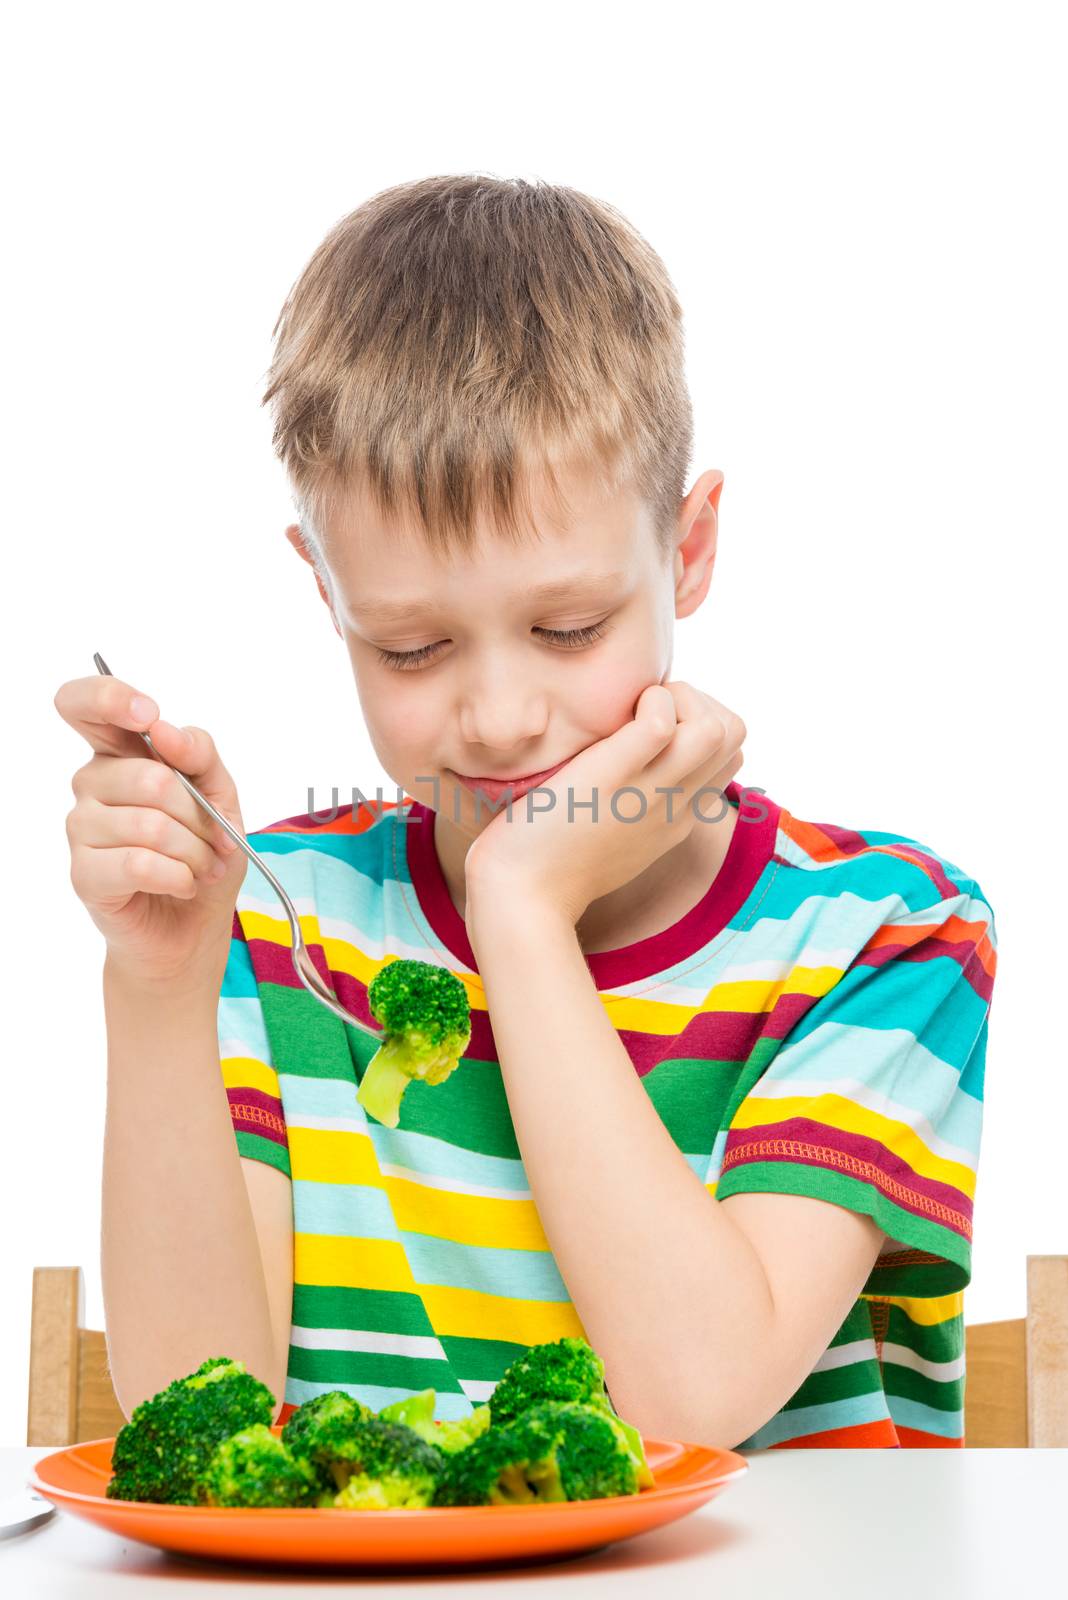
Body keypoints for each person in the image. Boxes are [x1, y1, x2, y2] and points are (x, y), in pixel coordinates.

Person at [55, 175, 996, 1451]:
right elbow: (205, 1428)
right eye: (410, 645)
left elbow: (691, 1400)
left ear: (690, 549)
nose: (498, 717)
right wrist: (161, 988)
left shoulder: (889, 935)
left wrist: (523, 909)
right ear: (325, 591)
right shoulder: (272, 924)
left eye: (568, 628)